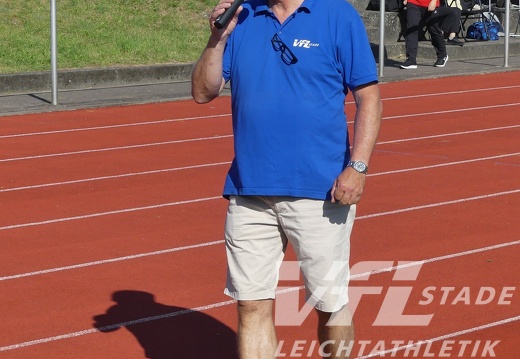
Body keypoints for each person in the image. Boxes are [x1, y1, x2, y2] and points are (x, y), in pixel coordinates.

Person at [191, 0, 382, 358]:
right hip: (250, 189)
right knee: (250, 304)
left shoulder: (337, 15)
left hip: (320, 190)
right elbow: (203, 92)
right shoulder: (243, 17)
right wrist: (217, 39)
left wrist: (357, 168)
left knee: (329, 303)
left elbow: (368, 98)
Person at [400, 0, 456, 69]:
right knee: (411, 28)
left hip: (429, 3)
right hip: (413, 2)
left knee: (434, 29)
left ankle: (442, 55)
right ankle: (411, 59)